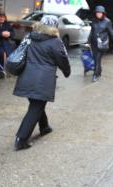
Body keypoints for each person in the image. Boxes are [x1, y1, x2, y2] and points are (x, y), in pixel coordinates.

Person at [13, 15, 70, 151]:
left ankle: (44, 127)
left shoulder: (29, 37)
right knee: (36, 107)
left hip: (26, 77)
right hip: (42, 80)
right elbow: (61, 59)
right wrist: (67, 71)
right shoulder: (55, 42)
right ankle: (21, 139)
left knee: (36, 104)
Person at [88, 5, 113, 82]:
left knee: (97, 59)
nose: (98, 14)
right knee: (96, 59)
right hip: (94, 43)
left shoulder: (107, 21)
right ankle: (99, 71)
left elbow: (112, 33)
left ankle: (95, 75)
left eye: (100, 13)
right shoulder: (93, 20)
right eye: (97, 13)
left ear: (103, 13)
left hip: (102, 44)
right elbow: (91, 32)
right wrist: (88, 41)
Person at [0, 11, 15, 78]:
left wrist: (9, 34)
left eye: (3, 17)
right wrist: (1, 34)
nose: (2, 18)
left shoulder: (7, 24)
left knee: (11, 54)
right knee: (1, 54)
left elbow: (13, 33)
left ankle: (8, 70)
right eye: (0, 17)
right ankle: (1, 70)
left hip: (5, 43)